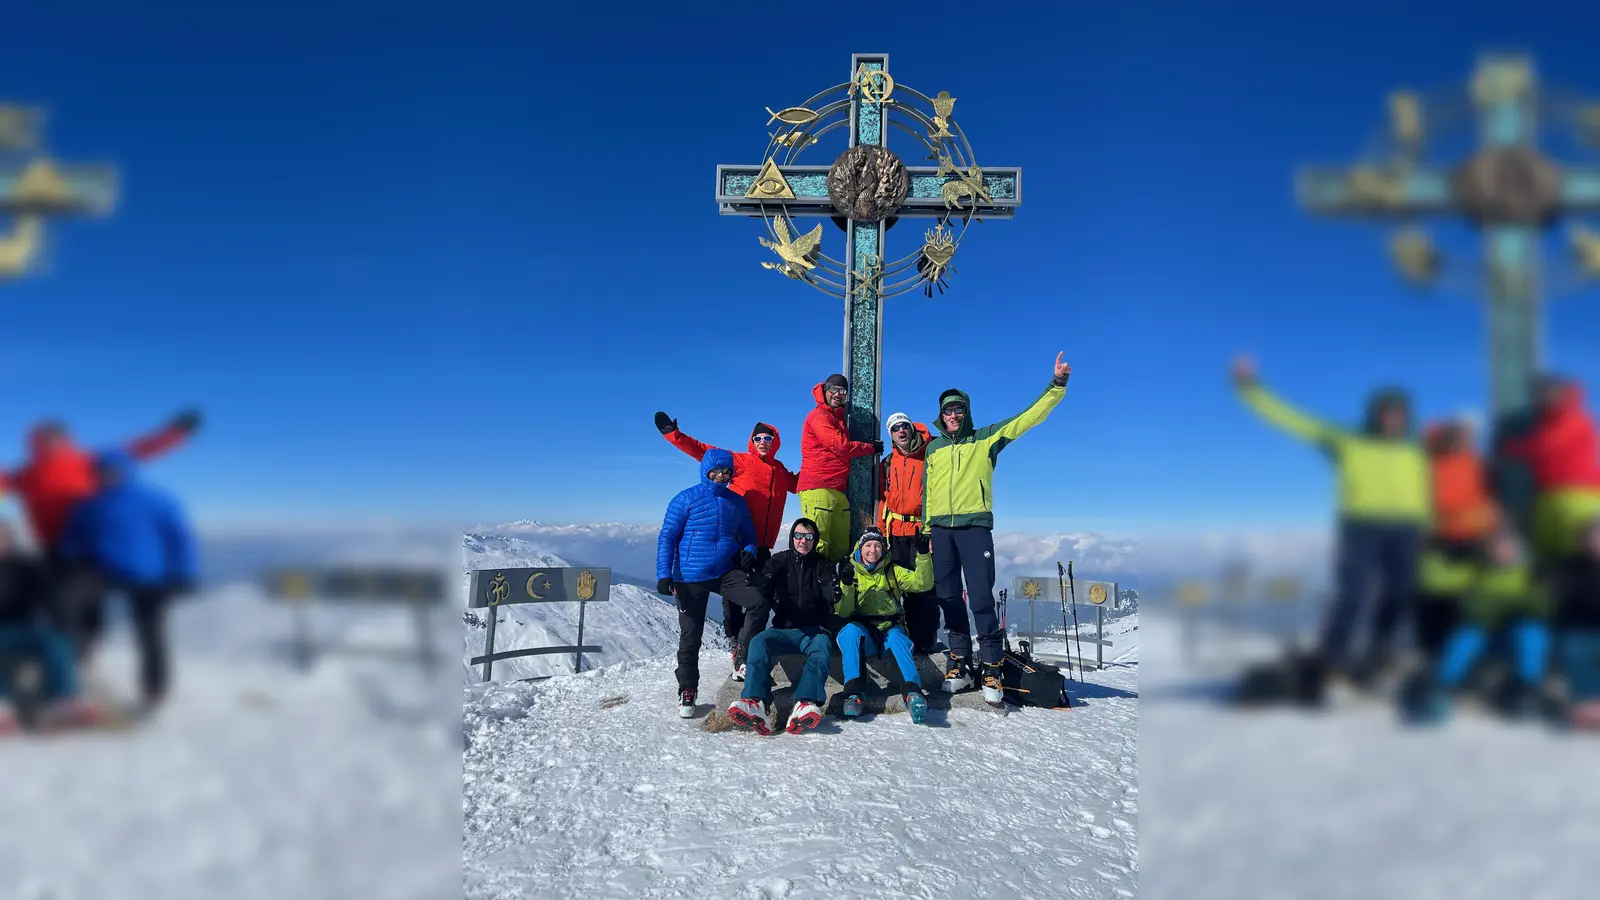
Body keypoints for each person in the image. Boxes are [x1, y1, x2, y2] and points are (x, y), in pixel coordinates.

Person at [1231, 356, 1429, 697]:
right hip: (1362, 527)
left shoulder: (1417, 449)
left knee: (1399, 596)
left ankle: (1380, 657)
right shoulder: (1347, 440)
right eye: (1386, 412)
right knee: (1352, 597)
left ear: (1407, 416)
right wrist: (1252, 389)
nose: (1393, 419)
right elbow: (1295, 422)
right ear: (1375, 414)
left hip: (1408, 529)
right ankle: (1331, 664)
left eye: (1399, 413)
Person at [925, 353, 1069, 704]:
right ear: (941, 415)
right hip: (941, 532)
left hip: (975, 529)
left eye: (959, 409)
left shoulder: (986, 439)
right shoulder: (933, 448)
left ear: (966, 412)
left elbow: (1025, 420)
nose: (954, 415)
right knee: (947, 598)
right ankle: (959, 661)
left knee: (980, 598)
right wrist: (929, 531)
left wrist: (1056, 385)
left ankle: (991, 665)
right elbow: (927, 493)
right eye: (948, 410)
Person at [654, 413, 799, 673]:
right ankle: (735, 642)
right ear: (751, 441)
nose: (763, 442)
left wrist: (831, 466)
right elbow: (704, 453)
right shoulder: (740, 461)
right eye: (758, 438)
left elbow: (801, 484)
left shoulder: (779, 470)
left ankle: (749, 645)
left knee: (764, 594)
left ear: (775, 441)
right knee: (734, 597)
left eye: (768, 437)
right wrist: (673, 435)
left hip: (762, 544)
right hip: (736, 543)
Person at [57, 450, 199, 714]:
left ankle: (154, 688)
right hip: (102, 571)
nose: (106, 476)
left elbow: (180, 538)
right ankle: (82, 654)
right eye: (100, 472)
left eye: (111, 471)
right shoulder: (90, 504)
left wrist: (185, 572)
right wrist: (67, 556)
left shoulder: (156, 500)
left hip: (150, 576)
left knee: (149, 630)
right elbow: (74, 536)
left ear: (127, 470)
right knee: (70, 602)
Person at [655, 448, 764, 718]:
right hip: (689, 576)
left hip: (725, 571)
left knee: (759, 601)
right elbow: (667, 536)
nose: (721, 475)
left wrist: (748, 553)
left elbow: (750, 536)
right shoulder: (686, 499)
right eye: (716, 471)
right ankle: (688, 690)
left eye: (727, 471)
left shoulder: (735, 501)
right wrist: (663, 574)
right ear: (706, 470)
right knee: (691, 636)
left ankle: (741, 652)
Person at [1404, 527, 1551, 723]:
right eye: (1497, 548)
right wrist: (1430, 554)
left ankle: (1527, 688)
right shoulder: (1476, 573)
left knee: (1532, 633)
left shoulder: (1530, 576)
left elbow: (1542, 605)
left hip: (1509, 635)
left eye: (1508, 548)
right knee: (1467, 635)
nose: (1502, 553)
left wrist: (1520, 606)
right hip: (1481, 633)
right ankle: (1442, 687)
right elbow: (1435, 580)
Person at [0, 410, 200, 553]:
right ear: (34, 442)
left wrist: (174, 434)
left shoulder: (87, 461)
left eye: (55, 436)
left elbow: (136, 450)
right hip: (52, 545)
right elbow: (3, 481)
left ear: (65, 438)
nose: (51, 442)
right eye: (44, 438)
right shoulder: (27, 474)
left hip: (90, 543)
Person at [726, 517, 839, 735]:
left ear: (814, 540)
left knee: (823, 645)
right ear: (792, 538)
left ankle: (805, 703)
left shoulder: (823, 564)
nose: (803, 541)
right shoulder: (780, 560)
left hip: (813, 631)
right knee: (759, 641)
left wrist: (830, 592)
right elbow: (768, 578)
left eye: (808, 537)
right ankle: (755, 702)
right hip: (784, 630)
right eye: (798, 536)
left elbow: (829, 582)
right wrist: (761, 582)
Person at [0, 520, 100, 733]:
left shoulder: (25, 567)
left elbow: (52, 597)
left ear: (9, 540)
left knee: (56, 640)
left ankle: (65, 702)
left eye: (2, 537)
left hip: (24, 629)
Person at [1414, 416, 1500, 662]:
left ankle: (1464, 655)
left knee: (1469, 597)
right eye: (1455, 436)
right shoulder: (1429, 462)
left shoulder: (1479, 464)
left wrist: (1492, 529)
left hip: (1475, 537)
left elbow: (1492, 499)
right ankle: (1432, 651)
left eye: (1465, 437)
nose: (1460, 441)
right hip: (1438, 538)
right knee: (1432, 594)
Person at [834, 526, 934, 723]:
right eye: (868, 545)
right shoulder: (851, 572)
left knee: (898, 639)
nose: (873, 550)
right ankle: (854, 693)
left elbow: (923, 584)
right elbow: (843, 612)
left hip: (890, 628)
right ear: (860, 548)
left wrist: (923, 555)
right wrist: (845, 586)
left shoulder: (893, 570)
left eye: (877, 545)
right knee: (849, 632)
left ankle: (913, 694)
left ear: (883, 548)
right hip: (865, 633)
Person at [1501, 376, 1600, 566]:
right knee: (1549, 553)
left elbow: (1548, 446)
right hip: (1546, 497)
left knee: (1585, 549)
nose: (1543, 398)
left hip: (1579, 494)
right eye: (1539, 394)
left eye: (1549, 392)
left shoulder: (1577, 419)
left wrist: (1515, 449)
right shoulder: (1542, 425)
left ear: (1564, 393)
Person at [796, 374, 882, 562]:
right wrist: (870, 448)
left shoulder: (838, 419)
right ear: (825, 391)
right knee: (818, 545)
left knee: (840, 547)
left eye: (842, 391)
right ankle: (813, 589)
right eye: (833, 390)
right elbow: (840, 446)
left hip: (837, 489)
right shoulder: (818, 416)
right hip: (819, 488)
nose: (837, 394)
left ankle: (833, 588)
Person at [876, 412, 940, 654]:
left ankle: (925, 641)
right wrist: (882, 533)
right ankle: (900, 640)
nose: (901, 431)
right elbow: (883, 500)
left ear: (912, 429)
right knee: (895, 587)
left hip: (922, 532)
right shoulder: (888, 463)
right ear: (891, 435)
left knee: (925, 589)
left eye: (905, 426)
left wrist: (933, 531)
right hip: (895, 533)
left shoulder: (929, 455)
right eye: (895, 429)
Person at [1547, 517, 1600, 729]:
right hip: (1577, 627)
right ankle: (1587, 704)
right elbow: (1560, 595)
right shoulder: (1570, 567)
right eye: (1592, 538)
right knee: (1576, 652)